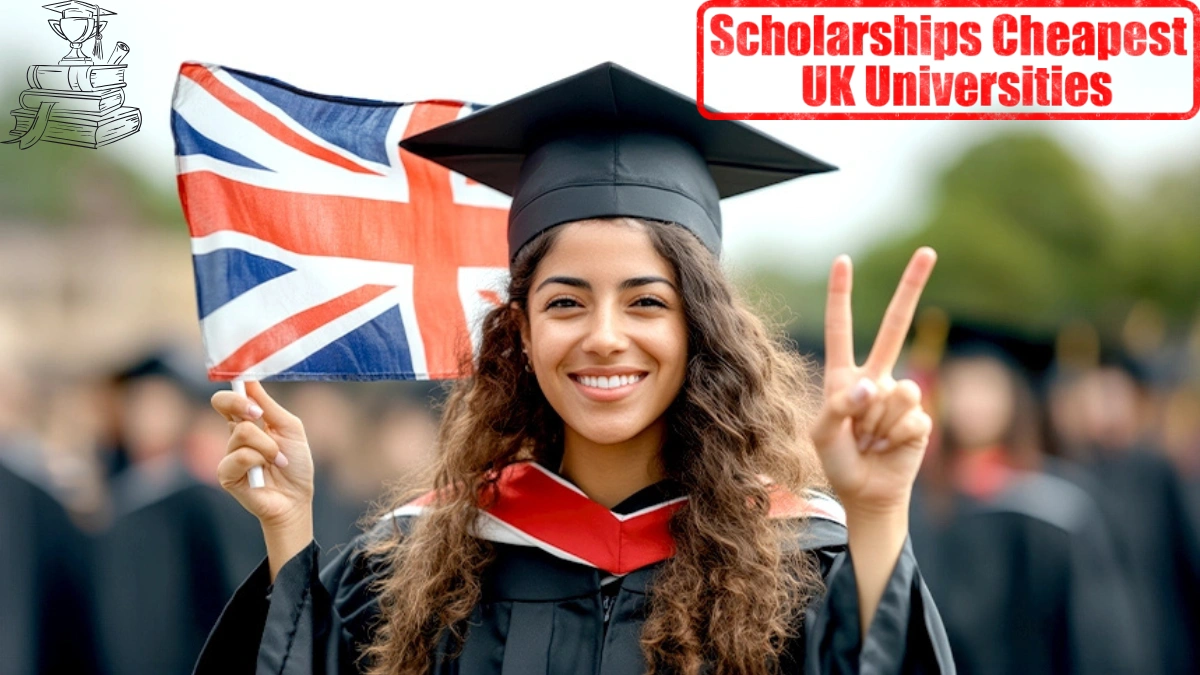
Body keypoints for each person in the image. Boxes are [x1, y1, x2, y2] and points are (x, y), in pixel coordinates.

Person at [198, 62, 953, 674]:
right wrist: (288, 524)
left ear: (701, 329)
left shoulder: (799, 563)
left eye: (647, 302)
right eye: (566, 303)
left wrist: (879, 513)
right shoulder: (426, 561)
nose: (604, 336)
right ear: (519, 331)